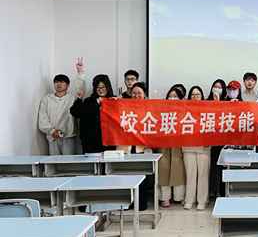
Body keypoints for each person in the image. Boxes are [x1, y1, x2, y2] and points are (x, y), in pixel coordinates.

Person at [39, 58, 85, 155]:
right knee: (54, 162)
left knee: (69, 162)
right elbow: (43, 119)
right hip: (52, 137)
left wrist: (80, 72)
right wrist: (51, 131)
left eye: (62, 82)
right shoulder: (46, 99)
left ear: (67, 84)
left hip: (69, 137)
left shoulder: (72, 97)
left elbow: (81, 88)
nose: (59, 84)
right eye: (56, 82)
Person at [117, 81, 152, 211]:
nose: (136, 96)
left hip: (142, 148)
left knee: (142, 177)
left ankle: (141, 203)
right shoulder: (122, 105)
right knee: (125, 177)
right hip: (124, 148)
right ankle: (126, 202)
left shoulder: (149, 108)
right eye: (134, 93)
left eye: (139, 93)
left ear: (145, 94)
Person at [70, 74, 115, 154]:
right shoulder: (89, 101)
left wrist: (116, 103)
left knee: (110, 162)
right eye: (98, 87)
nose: (101, 90)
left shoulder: (113, 101)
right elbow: (75, 113)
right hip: (91, 143)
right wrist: (79, 99)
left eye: (103, 87)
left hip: (110, 142)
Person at [157, 87, 186, 207]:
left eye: (175, 96)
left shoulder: (185, 110)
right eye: (170, 96)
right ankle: (164, 197)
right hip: (163, 144)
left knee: (179, 170)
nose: (172, 98)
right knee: (163, 169)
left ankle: (180, 196)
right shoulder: (161, 109)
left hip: (178, 144)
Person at [183, 86, 211, 210]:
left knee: (203, 175)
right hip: (188, 146)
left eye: (198, 94)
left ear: (202, 96)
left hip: (204, 147)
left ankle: (202, 200)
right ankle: (190, 199)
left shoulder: (207, 109)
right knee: (190, 175)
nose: (195, 97)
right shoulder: (184, 109)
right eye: (193, 94)